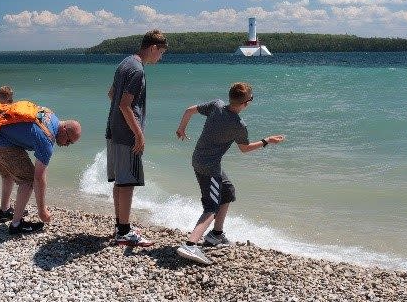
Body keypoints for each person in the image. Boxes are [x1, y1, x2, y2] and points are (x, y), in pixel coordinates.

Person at [175, 82, 285, 265]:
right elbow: (245, 149)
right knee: (212, 207)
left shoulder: (216, 105)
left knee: (227, 191)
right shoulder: (238, 124)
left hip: (199, 160)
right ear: (246, 103)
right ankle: (190, 244)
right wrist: (267, 141)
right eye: (251, 99)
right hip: (209, 167)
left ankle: (216, 235)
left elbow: (189, 110)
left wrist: (181, 129)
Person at [105, 29, 168, 246]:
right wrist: (139, 134)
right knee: (128, 182)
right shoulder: (138, 71)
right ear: (153, 48)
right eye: (161, 53)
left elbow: (112, 95)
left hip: (113, 129)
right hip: (126, 133)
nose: (161, 57)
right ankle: (124, 231)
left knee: (120, 181)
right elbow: (124, 104)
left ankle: (120, 225)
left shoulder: (124, 63)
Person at [0, 104, 81, 234]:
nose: (67, 145)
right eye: (69, 141)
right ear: (65, 129)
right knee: (28, 180)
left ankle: (4, 212)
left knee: (8, 174)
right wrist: (42, 210)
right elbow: (38, 178)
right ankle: (16, 225)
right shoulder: (47, 139)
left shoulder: (49, 113)